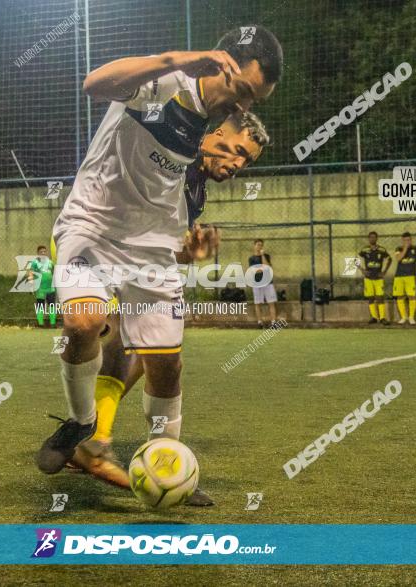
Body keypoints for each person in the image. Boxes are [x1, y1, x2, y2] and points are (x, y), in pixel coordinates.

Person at [35, 25, 283, 510]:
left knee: (166, 366)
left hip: (150, 253)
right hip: (92, 226)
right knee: (83, 321)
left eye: (257, 100)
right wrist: (175, 59)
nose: (247, 107)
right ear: (223, 65)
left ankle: (164, 458)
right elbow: (94, 84)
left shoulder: (209, 146)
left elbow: (175, 222)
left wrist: (188, 252)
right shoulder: (165, 85)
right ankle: (83, 424)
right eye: (246, 92)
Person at [70, 112, 271, 500]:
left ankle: (111, 441)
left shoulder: (196, 191)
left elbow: (161, 247)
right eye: (238, 152)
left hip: (134, 261)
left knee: (154, 354)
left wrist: (186, 253)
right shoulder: (169, 152)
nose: (239, 165)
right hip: (99, 241)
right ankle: (94, 439)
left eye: (248, 161)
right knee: (127, 343)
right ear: (215, 134)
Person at [359, 231, 391, 324]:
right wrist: (362, 270)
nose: (372, 239)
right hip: (368, 278)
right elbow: (355, 260)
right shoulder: (365, 250)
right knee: (371, 298)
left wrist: (384, 271)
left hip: (378, 278)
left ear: (377, 238)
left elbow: (390, 259)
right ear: (368, 239)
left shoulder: (382, 250)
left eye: (374, 237)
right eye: (371, 237)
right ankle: (374, 317)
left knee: (380, 297)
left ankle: (382, 318)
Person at [248, 238, 277, 327]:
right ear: (254, 246)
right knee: (258, 303)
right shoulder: (251, 258)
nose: (259, 246)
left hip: (268, 282)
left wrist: (263, 255)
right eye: (258, 245)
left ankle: (273, 322)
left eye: (261, 245)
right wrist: (262, 269)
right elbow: (254, 271)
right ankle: (260, 322)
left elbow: (267, 267)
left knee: (271, 302)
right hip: (257, 283)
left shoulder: (266, 256)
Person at [28, 245, 57, 327]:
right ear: (38, 253)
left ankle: (53, 324)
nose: (43, 253)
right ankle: (40, 324)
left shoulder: (50, 262)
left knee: (51, 305)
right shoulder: (35, 262)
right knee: (40, 304)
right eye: (41, 252)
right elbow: (30, 273)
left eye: (44, 252)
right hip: (40, 288)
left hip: (50, 287)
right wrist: (31, 285)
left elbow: (54, 273)